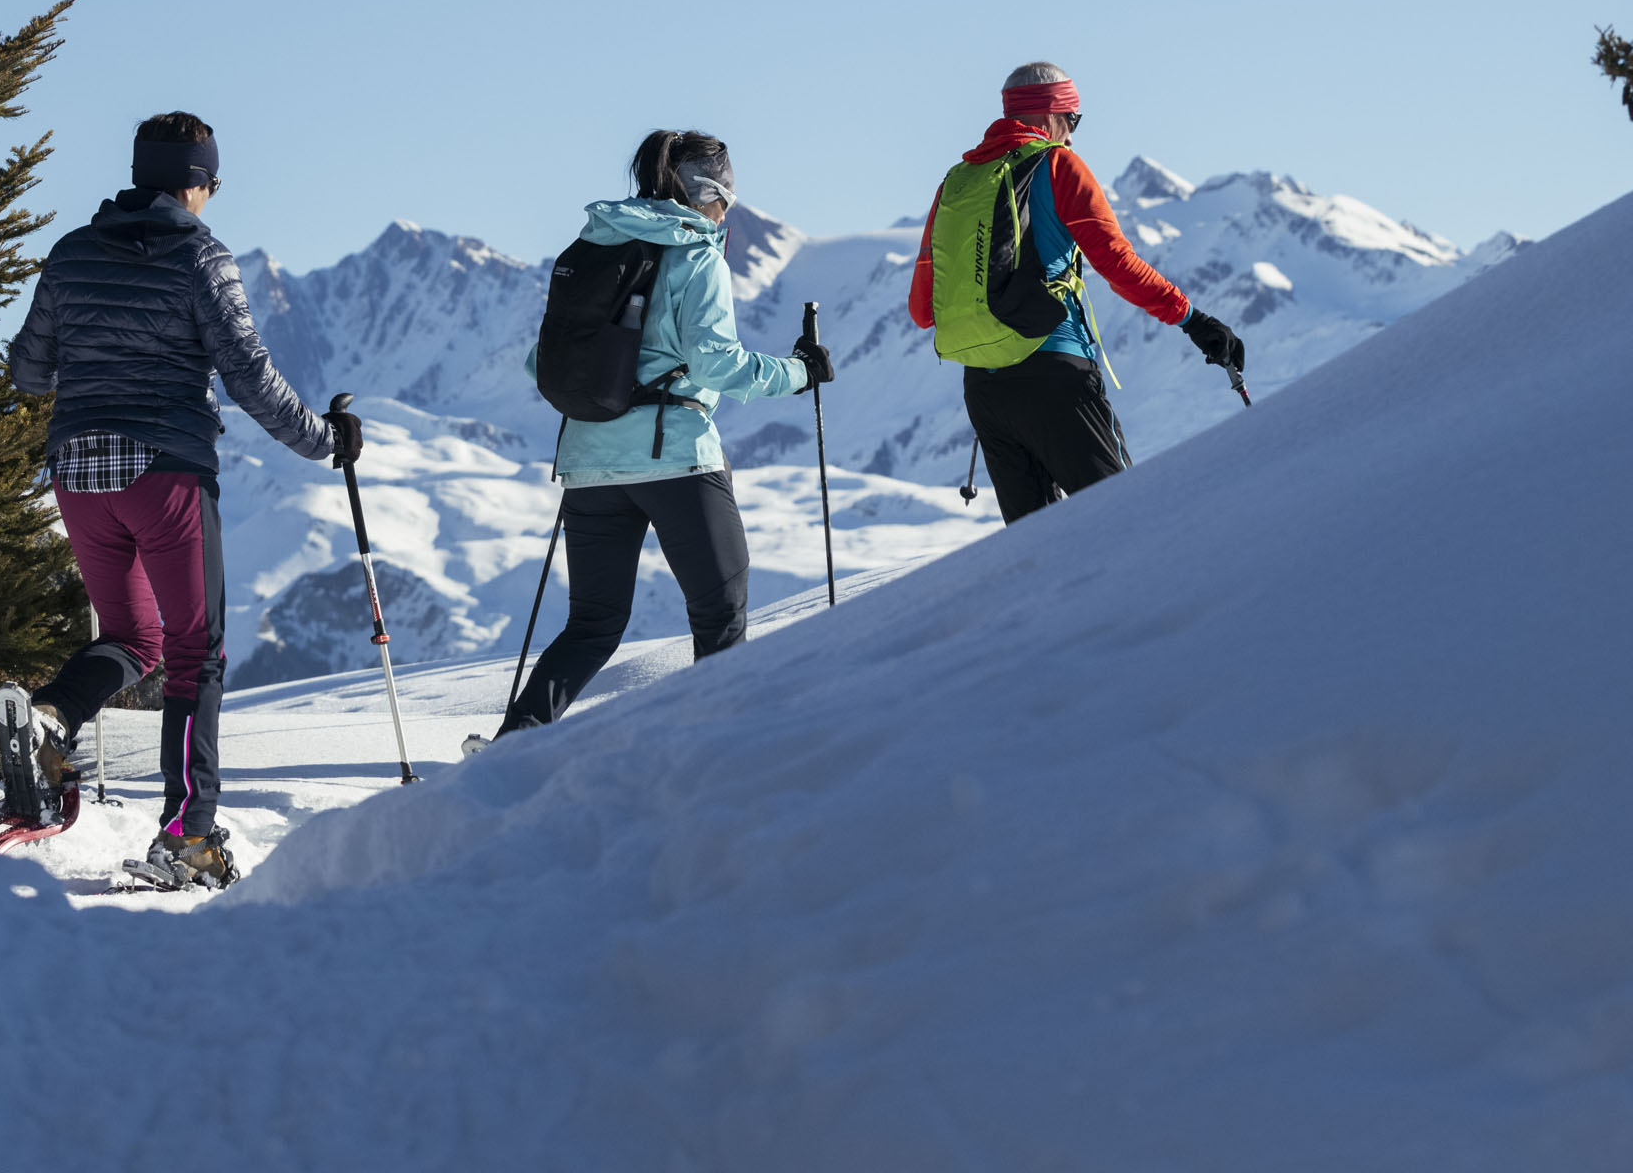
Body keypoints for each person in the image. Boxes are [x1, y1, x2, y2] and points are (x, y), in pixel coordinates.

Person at [0, 111, 358, 889]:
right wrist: (325, 442)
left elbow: (28, 372)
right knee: (195, 652)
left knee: (134, 637)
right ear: (198, 182)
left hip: (77, 472)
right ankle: (188, 835)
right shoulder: (202, 256)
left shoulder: (70, 252)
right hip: (166, 471)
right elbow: (249, 374)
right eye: (213, 184)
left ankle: (54, 719)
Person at [486, 130, 831, 740]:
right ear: (712, 195)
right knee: (720, 612)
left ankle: (514, 743)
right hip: (675, 459)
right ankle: (719, 746)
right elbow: (716, 365)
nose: (728, 214)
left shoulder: (591, 249)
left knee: (592, 623)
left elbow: (539, 362)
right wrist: (799, 373)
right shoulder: (696, 257)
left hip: (589, 461)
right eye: (728, 201)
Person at [908, 61, 1244, 523]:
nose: (1072, 133)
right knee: (1125, 524)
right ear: (1050, 114)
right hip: (1056, 375)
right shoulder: (1057, 164)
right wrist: (1192, 319)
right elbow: (1116, 263)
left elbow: (922, 310)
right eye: (1073, 119)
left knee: (1039, 550)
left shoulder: (955, 184)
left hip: (984, 392)